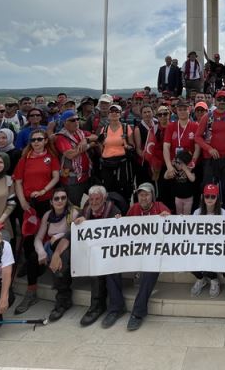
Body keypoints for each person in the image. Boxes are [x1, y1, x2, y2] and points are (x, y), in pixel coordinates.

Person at [102, 183, 170, 332]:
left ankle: (138, 313)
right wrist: (120, 221)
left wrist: (167, 218)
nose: (143, 197)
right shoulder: (134, 209)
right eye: (140, 194)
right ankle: (116, 307)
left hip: (153, 253)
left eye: (146, 194)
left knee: (151, 270)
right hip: (134, 251)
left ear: (152, 195)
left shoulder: (160, 207)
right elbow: (126, 231)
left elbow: (172, 229)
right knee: (110, 265)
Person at [13, 129, 60, 314]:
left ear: (46, 140)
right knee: (29, 241)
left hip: (45, 203)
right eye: (33, 140)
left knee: (47, 238)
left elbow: (55, 176)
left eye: (40, 139)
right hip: (28, 206)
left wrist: (43, 190)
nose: (36, 142)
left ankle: (45, 268)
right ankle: (31, 287)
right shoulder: (25, 159)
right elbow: (18, 181)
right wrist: (22, 201)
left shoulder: (51, 157)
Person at [74, 185, 121, 326]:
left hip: (110, 253)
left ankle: (108, 307)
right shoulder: (86, 210)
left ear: (104, 199)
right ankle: (96, 306)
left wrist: (119, 221)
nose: (94, 202)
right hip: (92, 253)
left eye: (97, 199)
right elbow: (75, 231)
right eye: (91, 199)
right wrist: (79, 223)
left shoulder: (113, 210)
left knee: (106, 269)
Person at [33, 186, 79, 322]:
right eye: (56, 198)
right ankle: (30, 292)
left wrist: (59, 235)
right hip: (50, 247)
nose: (60, 201)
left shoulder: (73, 213)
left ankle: (63, 298)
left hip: (69, 247)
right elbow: (38, 238)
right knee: (32, 259)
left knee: (62, 258)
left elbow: (74, 235)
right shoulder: (47, 215)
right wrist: (41, 252)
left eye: (63, 198)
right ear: (51, 202)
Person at [195, 90, 225, 211]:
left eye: (224, 99)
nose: (222, 102)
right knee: (209, 188)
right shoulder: (207, 117)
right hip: (210, 159)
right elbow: (197, 137)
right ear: (215, 101)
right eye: (219, 99)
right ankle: (207, 213)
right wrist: (209, 149)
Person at [190, 183, 225, 297]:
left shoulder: (224, 214)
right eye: (207, 196)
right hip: (200, 246)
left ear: (217, 198)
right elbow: (191, 233)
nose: (210, 199)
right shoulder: (197, 213)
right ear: (203, 197)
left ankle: (214, 279)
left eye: (213, 196)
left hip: (217, 248)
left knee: (208, 255)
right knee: (186, 255)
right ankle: (201, 278)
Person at [53, 111, 94, 207]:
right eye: (72, 120)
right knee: (73, 207)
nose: (76, 122)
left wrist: (86, 140)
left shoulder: (81, 133)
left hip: (86, 175)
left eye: (77, 119)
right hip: (72, 179)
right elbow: (70, 154)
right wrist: (89, 145)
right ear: (64, 122)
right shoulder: (61, 137)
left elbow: (95, 137)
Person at [96, 104, 135, 203]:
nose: (114, 113)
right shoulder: (104, 129)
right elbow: (100, 145)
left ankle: (123, 211)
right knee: (108, 189)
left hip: (122, 163)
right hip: (107, 163)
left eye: (116, 111)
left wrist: (127, 147)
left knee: (123, 189)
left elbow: (132, 145)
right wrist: (103, 153)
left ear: (120, 114)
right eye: (111, 111)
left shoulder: (126, 128)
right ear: (108, 115)